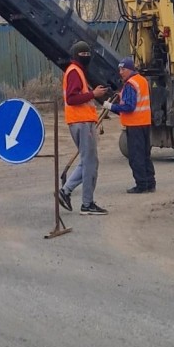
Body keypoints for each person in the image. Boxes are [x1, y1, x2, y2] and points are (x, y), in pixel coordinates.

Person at [57, 40, 109, 216]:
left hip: (81, 122)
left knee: (88, 162)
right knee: (90, 163)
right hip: (82, 122)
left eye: (88, 54)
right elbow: (72, 98)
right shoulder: (74, 72)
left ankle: (65, 191)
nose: (86, 57)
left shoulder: (76, 71)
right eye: (83, 54)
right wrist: (93, 94)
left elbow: (77, 96)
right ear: (76, 55)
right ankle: (87, 203)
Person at [104, 57, 154, 193]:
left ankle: (141, 185)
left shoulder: (130, 84)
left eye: (123, 69)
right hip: (144, 123)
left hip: (135, 124)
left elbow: (129, 107)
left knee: (136, 157)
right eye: (120, 69)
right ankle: (150, 183)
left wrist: (111, 106)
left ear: (130, 69)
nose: (120, 72)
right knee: (145, 155)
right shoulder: (142, 80)